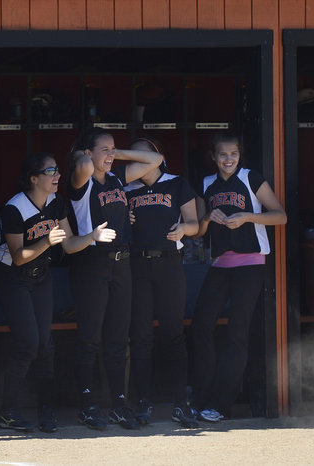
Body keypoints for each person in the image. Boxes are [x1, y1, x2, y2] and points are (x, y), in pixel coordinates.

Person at [0, 152, 115, 433]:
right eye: (51, 171)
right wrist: (47, 242)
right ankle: (6, 411)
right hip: (13, 276)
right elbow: (19, 256)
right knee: (28, 344)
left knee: (46, 345)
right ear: (33, 178)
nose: (58, 175)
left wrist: (92, 237)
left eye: (58, 170)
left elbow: (70, 245)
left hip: (40, 275)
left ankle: (45, 409)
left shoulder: (56, 202)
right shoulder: (15, 208)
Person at [67, 128, 163, 430]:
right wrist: (90, 155)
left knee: (118, 339)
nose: (110, 154)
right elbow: (83, 166)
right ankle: (87, 404)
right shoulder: (81, 181)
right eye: (103, 149)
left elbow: (156, 159)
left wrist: (113, 154)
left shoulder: (118, 178)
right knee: (90, 337)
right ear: (87, 153)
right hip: (92, 262)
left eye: (112, 148)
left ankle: (119, 405)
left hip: (123, 263)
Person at [191, 132, 286, 422]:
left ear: (239, 155)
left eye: (233, 154)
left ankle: (220, 405)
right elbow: (200, 230)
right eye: (222, 154)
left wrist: (246, 217)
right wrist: (208, 217)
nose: (228, 159)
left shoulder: (250, 177)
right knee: (200, 327)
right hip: (220, 263)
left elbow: (280, 215)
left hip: (251, 263)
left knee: (236, 332)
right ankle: (201, 396)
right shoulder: (207, 184)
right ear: (213, 156)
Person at [124, 137, 200, 427]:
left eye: (143, 157)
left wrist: (184, 228)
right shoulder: (126, 189)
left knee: (173, 335)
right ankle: (142, 402)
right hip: (137, 264)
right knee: (141, 337)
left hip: (169, 264)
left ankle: (181, 403)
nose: (137, 163)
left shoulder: (177, 183)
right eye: (132, 158)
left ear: (157, 157)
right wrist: (124, 218)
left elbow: (194, 224)